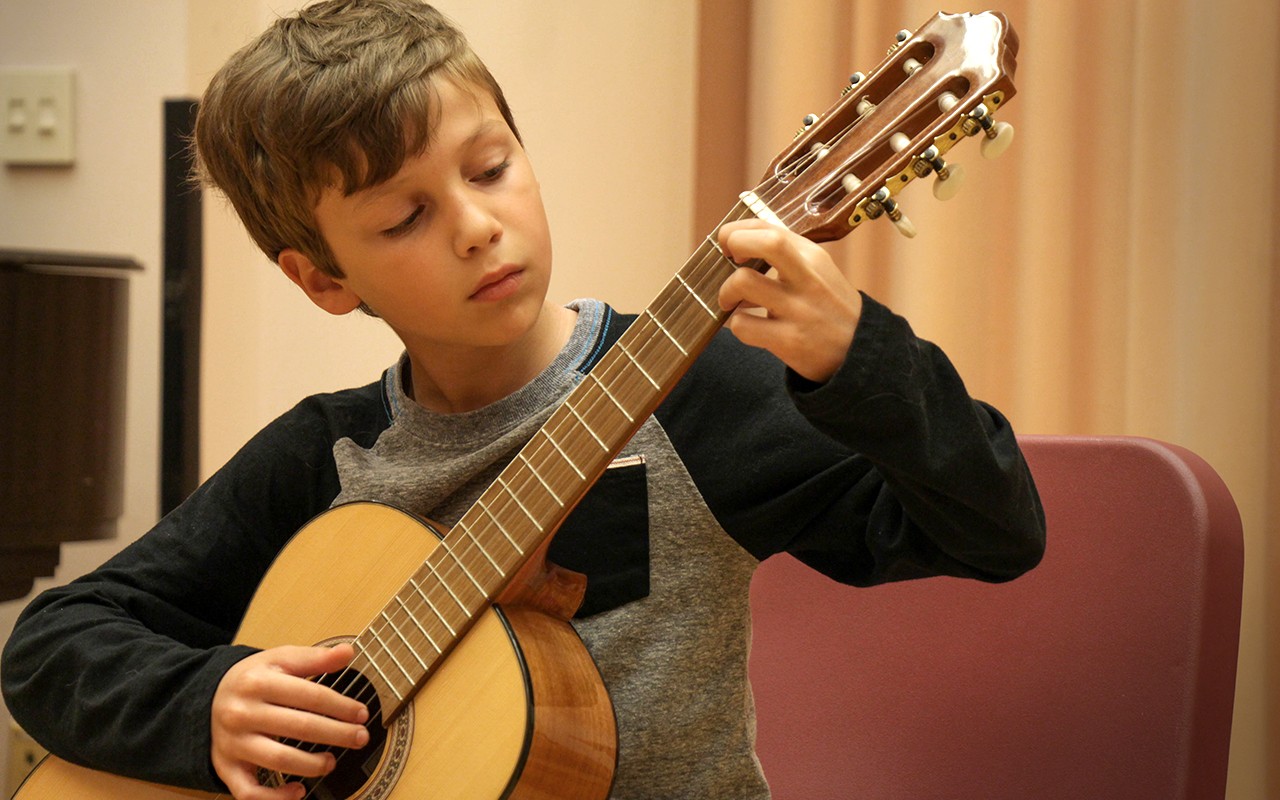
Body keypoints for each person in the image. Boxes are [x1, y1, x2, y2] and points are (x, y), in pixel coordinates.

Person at [1, 2, 1045, 799]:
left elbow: (995, 528)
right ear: (324, 280)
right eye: (406, 214)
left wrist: (863, 358)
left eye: (491, 167)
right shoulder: (327, 456)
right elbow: (54, 642)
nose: (474, 226)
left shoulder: (697, 398)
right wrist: (209, 704)